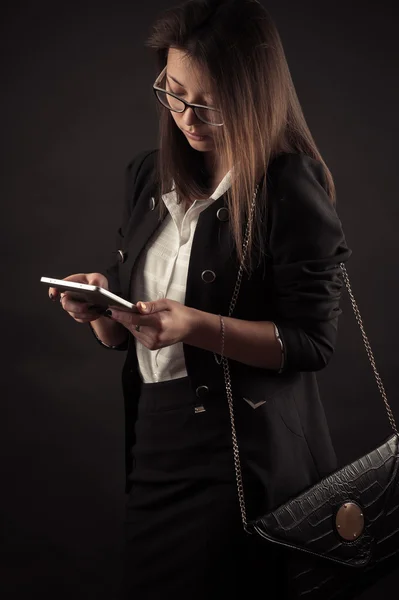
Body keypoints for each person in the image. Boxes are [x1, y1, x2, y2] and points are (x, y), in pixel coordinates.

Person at [48, 0, 352, 597]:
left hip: (242, 459)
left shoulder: (287, 185)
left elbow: (312, 342)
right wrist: (100, 306)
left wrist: (194, 326)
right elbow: (126, 333)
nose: (186, 115)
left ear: (254, 94)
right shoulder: (147, 174)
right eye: (174, 91)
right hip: (155, 446)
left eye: (208, 102)